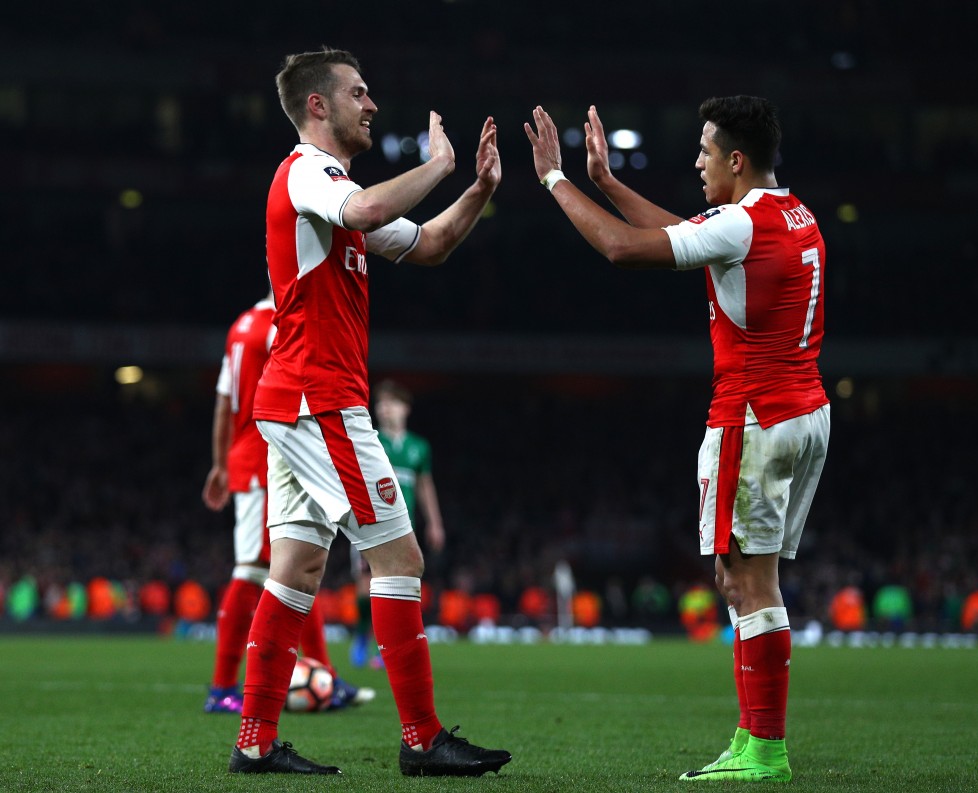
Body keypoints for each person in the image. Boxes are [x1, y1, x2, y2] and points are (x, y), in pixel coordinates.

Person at [525, 96, 829, 783]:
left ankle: (764, 747)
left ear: (736, 160)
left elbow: (622, 246)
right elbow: (692, 240)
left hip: (752, 415)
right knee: (748, 576)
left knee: (746, 580)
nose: (695, 162)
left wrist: (555, 179)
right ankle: (755, 735)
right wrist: (604, 179)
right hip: (805, 410)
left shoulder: (741, 222)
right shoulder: (795, 213)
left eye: (704, 151)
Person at [230, 47, 510, 777]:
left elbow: (431, 243)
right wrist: (438, 164)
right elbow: (374, 206)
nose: (373, 104)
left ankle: (255, 741)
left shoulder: (333, 193)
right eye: (359, 92)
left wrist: (478, 187)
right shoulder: (309, 175)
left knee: (295, 567)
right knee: (401, 558)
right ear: (318, 105)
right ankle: (421, 738)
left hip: (294, 401)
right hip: (317, 399)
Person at [201, 292, 374, 714]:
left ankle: (324, 675)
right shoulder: (282, 324)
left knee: (294, 566)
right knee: (257, 570)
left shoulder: (241, 325)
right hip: (269, 456)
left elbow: (225, 402)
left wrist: (221, 464)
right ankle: (222, 687)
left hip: (249, 457)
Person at [349, 379, 446, 670]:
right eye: (381, 403)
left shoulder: (419, 448)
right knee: (364, 590)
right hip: (370, 523)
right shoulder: (371, 440)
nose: (385, 409)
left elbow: (425, 486)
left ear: (405, 408)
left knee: (398, 588)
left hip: (406, 526)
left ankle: (386, 647)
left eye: (392, 403)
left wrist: (435, 524)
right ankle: (362, 634)